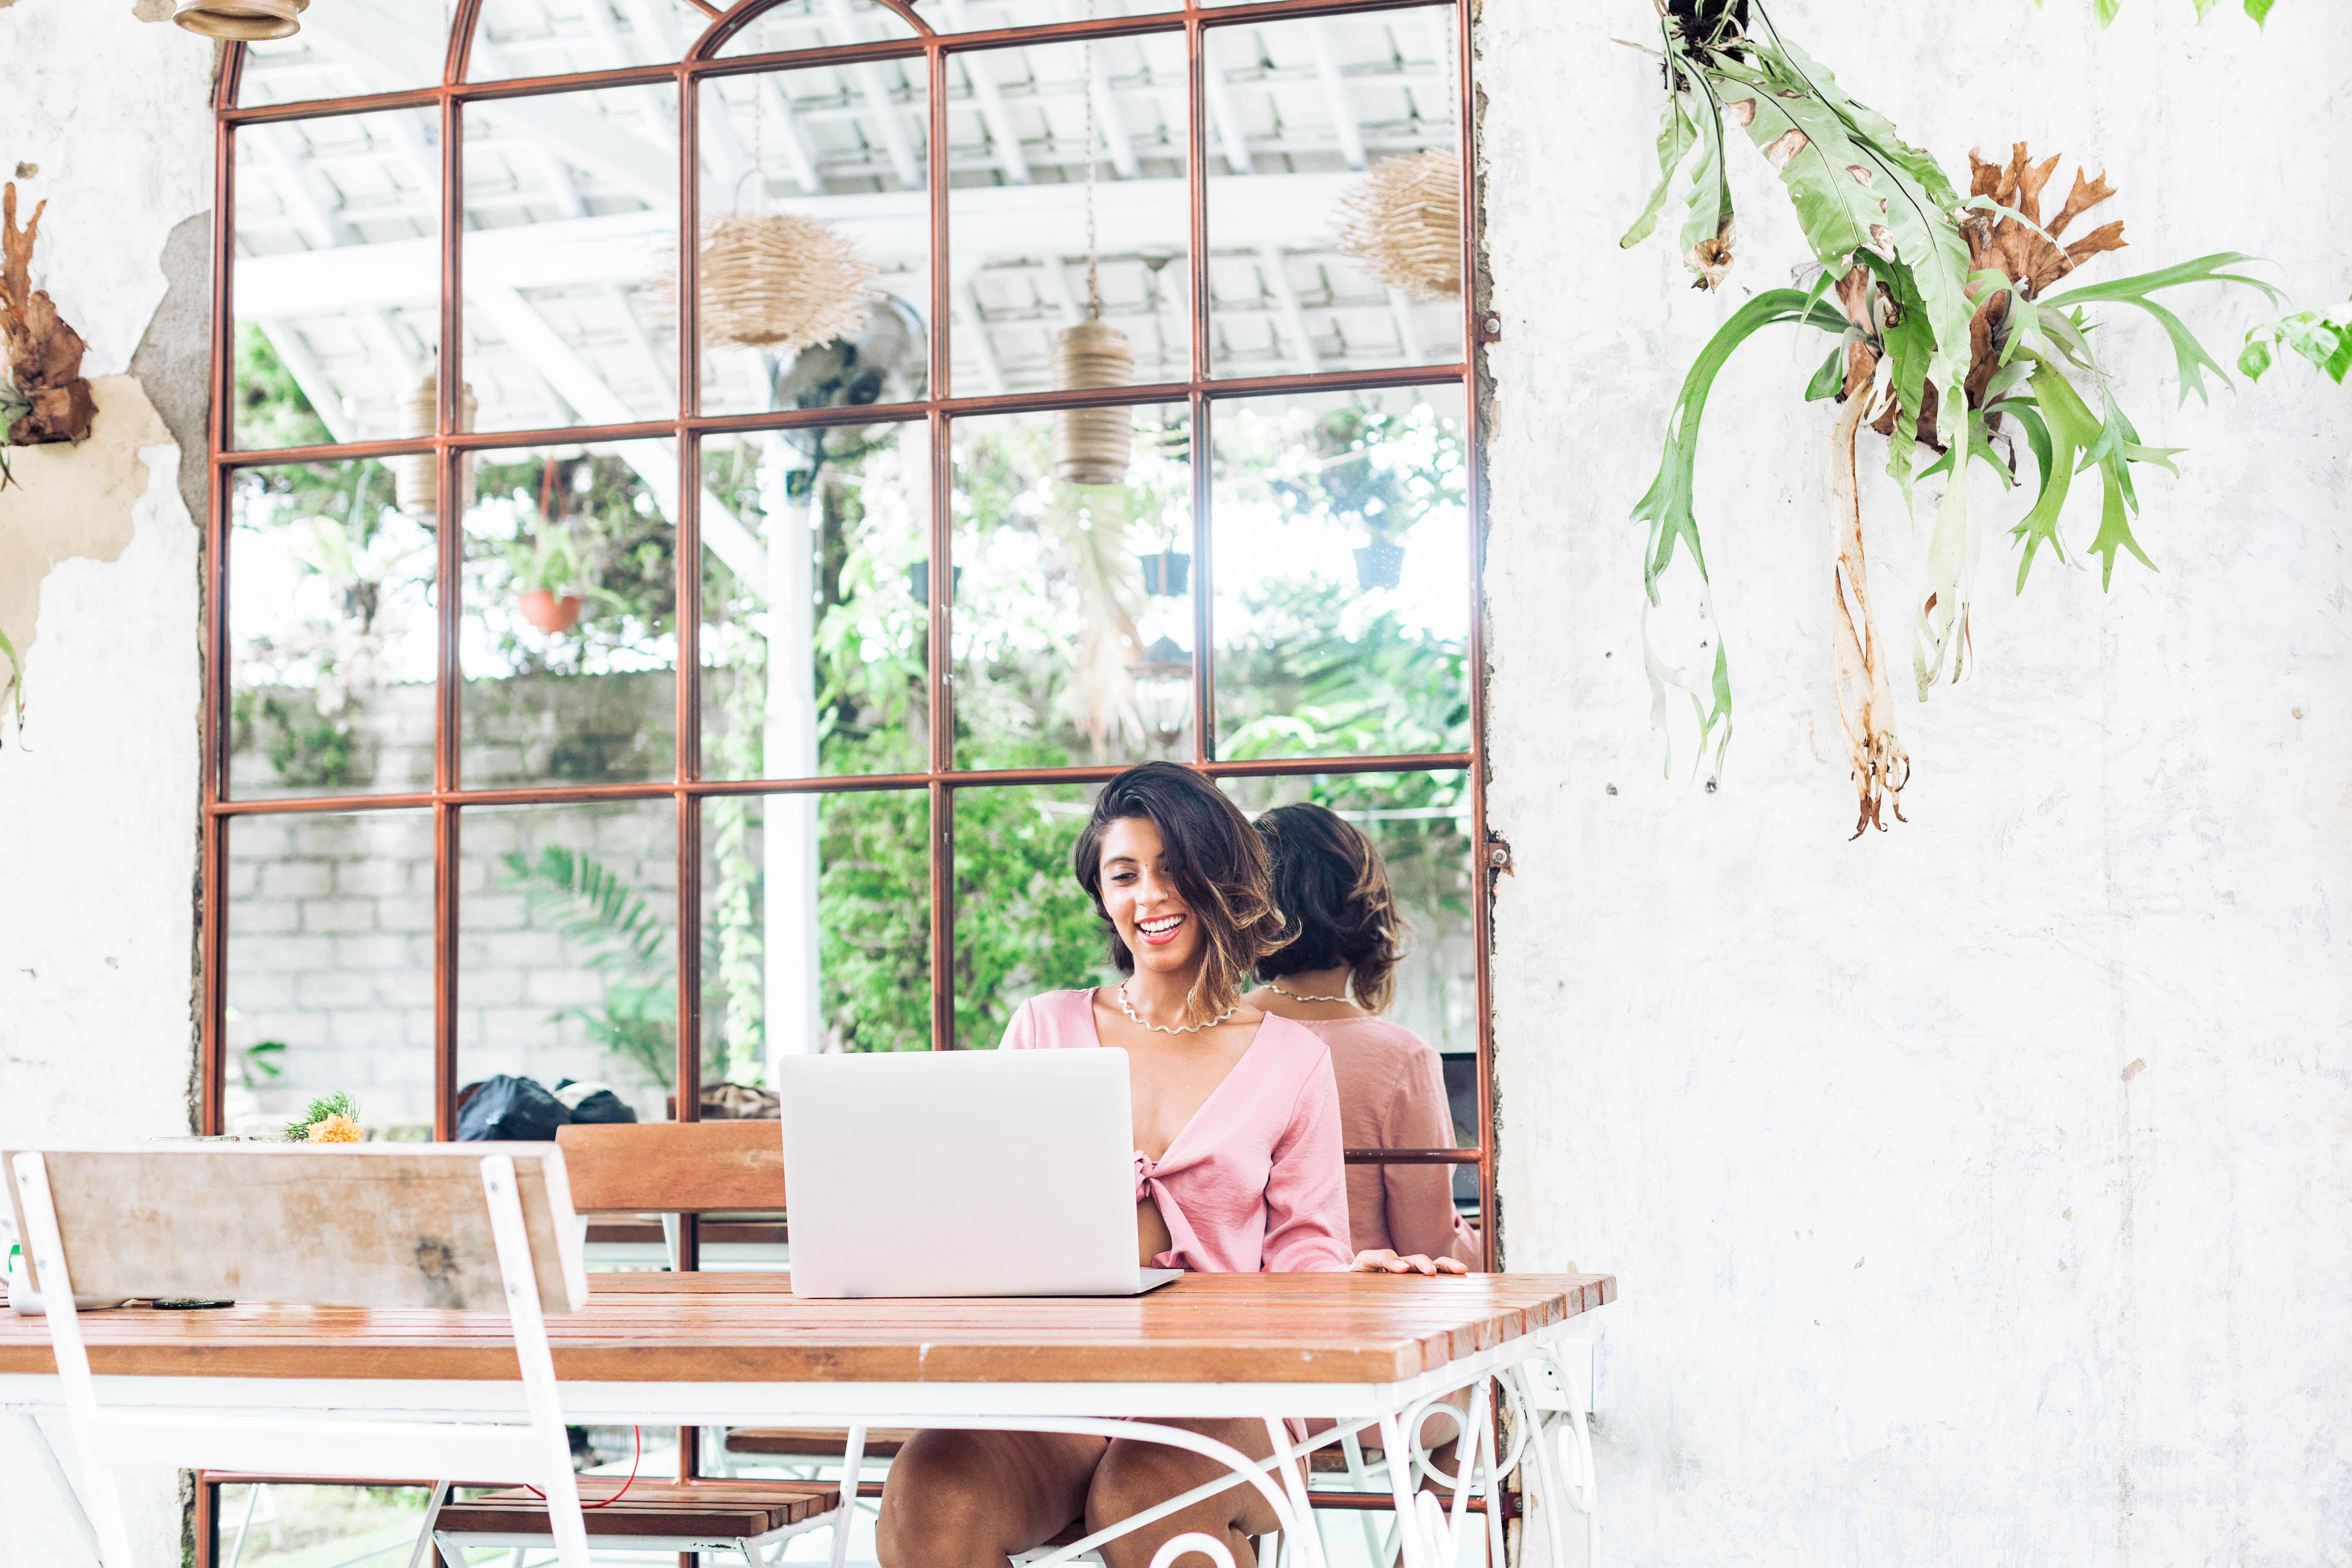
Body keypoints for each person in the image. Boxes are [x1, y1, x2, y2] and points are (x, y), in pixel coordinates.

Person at [875, 762, 1463, 1568]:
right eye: (1124, 875)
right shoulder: (1043, 1027)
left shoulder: (1289, 1058)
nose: (1148, 897)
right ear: (1102, 893)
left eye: (1173, 871)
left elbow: (1304, 1249)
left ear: (1223, 880)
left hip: (1228, 1394)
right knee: (929, 1490)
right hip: (1065, 1387)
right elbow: (991, 1217)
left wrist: (1353, 1275)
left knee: (1148, 1497)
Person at [1246, 802, 1479, 1270]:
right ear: (1365, 912)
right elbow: (1428, 1249)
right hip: (1357, 1315)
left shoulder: (1208, 1030)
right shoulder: (1402, 1059)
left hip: (1223, 1314)